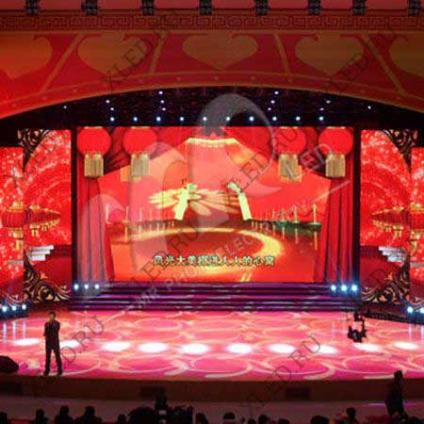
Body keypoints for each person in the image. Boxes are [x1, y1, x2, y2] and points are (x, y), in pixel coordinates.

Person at [43, 311, 63, 376]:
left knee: (57, 357)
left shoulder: (57, 323)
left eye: (52, 316)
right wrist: (45, 335)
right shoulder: (46, 324)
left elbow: (56, 330)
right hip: (48, 343)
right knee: (47, 357)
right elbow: (45, 332)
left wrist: (50, 325)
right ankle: (47, 370)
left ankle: (60, 370)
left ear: (54, 317)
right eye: (50, 316)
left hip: (55, 343)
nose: (50, 318)